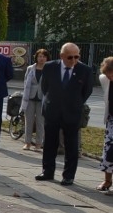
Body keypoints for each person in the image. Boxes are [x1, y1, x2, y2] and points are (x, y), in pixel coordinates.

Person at [35, 43, 94, 186]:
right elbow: (45, 87)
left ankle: (68, 175)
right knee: (49, 143)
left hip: (72, 113)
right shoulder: (49, 67)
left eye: (77, 57)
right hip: (52, 111)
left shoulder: (84, 70)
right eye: (70, 57)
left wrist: (74, 102)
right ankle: (47, 171)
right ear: (62, 56)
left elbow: (87, 91)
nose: (73, 60)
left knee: (71, 145)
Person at [20, 48, 49, 150]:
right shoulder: (30, 68)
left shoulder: (49, 69)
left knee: (40, 122)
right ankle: (27, 142)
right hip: (30, 97)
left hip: (43, 99)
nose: (41, 58)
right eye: (40, 56)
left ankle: (38, 144)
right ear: (36, 57)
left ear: (47, 58)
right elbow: (25, 82)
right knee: (29, 121)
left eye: (44, 56)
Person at [97, 56, 113, 194]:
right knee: (108, 150)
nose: (110, 77)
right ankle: (107, 180)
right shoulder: (105, 80)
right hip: (111, 120)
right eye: (108, 74)